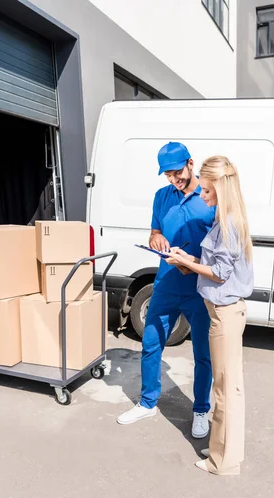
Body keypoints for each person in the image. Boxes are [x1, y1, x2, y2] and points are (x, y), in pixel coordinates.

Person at [117, 142, 216, 438]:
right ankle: (147, 403)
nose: (175, 179)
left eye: (178, 172)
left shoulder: (210, 199)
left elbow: (221, 249)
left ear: (190, 163)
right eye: (169, 175)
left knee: (203, 354)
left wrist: (194, 262)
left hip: (199, 289)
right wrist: (155, 239)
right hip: (165, 285)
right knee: (150, 344)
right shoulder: (162, 197)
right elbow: (155, 231)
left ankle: (200, 411)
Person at [165, 156, 254, 475]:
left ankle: (222, 462)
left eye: (205, 190)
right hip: (226, 312)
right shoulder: (228, 218)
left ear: (219, 187)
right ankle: (224, 449)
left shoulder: (228, 222)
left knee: (224, 388)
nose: (201, 195)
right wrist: (188, 257)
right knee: (230, 386)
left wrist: (187, 265)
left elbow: (218, 273)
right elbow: (217, 265)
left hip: (225, 314)